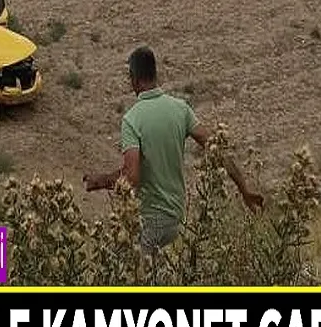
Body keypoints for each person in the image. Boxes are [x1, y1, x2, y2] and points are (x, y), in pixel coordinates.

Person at [83, 45, 264, 257]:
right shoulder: (181, 109)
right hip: (176, 218)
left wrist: (101, 181)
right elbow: (217, 151)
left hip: (150, 220)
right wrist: (244, 190)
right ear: (155, 74)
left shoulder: (131, 120)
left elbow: (132, 178)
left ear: (134, 79)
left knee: (120, 264)